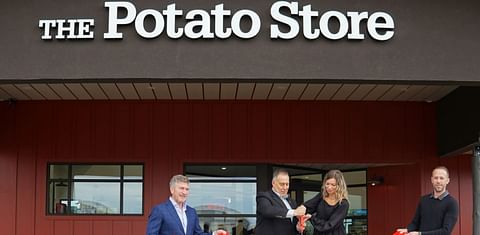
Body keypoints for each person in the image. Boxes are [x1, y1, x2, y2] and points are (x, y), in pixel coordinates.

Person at [146, 175, 226, 235]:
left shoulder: (192, 212)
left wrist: (214, 234)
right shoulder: (159, 210)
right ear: (172, 190)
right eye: (181, 188)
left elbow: (197, 234)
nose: (184, 192)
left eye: (187, 189)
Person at [397, 166, 458, 235]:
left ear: (447, 180)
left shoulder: (452, 203)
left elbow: (446, 231)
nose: (438, 181)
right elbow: (415, 223)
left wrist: (420, 234)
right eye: (436, 178)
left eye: (441, 178)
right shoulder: (424, 200)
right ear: (432, 180)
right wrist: (407, 230)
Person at [256, 169, 306, 235]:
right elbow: (267, 210)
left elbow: (291, 226)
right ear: (273, 183)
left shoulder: (292, 202)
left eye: (287, 184)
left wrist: (298, 227)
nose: (285, 187)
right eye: (282, 184)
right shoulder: (264, 196)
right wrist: (294, 212)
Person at [302, 170, 349, 235]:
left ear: (339, 186)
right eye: (327, 184)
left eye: (333, 185)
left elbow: (330, 225)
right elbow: (308, 207)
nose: (329, 187)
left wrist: (312, 218)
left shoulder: (343, 203)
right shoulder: (321, 196)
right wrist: (300, 210)